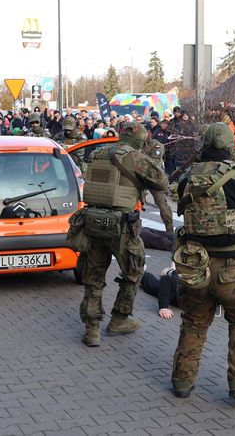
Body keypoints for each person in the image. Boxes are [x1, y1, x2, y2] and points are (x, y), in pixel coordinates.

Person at [171, 122, 235, 400]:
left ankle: (182, 382)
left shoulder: (187, 177)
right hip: (234, 269)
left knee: (193, 324)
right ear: (230, 146)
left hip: (195, 267)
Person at [69, 122, 168, 348]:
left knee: (93, 276)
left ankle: (91, 329)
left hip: (92, 221)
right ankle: (119, 319)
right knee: (134, 270)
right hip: (121, 225)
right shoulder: (135, 157)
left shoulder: (97, 153)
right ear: (141, 140)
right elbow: (161, 182)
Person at [141, 265, 235, 319]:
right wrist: (163, 307)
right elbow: (166, 281)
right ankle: (140, 273)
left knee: (176, 276)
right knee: (153, 285)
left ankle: (173, 270)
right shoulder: (200, 284)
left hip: (193, 286)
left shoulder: (222, 286)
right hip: (180, 294)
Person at [143, 136, 174, 235]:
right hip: (140, 176)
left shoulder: (156, 146)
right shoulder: (138, 144)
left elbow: (154, 163)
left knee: (162, 204)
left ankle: (169, 231)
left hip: (154, 178)